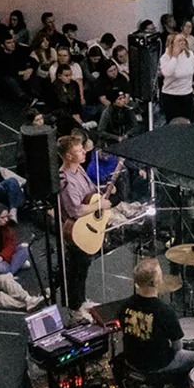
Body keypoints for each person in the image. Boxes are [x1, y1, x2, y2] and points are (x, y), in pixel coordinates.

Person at [119, 258, 194, 388]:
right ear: (157, 282)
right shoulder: (164, 311)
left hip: (131, 359)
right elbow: (177, 347)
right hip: (157, 364)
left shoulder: (125, 306)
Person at [59, 133, 109, 316]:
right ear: (69, 156)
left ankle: (81, 300)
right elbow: (75, 210)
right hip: (76, 230)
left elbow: (88, 193)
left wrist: (103, 189)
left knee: (84, 268)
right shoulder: (65, 180)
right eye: (79, 151)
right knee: (76, 271)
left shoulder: (79, 169)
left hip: (86, 227)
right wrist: (99, 205)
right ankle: (75, 308)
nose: (84, 153)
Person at [158, 31, 194, 122]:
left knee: (189, 121)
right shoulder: (165, 57)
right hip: (171, 96)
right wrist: (174, 57)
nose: (182, 43)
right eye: (179, 41)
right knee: (174, 123)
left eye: (183, 40)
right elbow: (167, 73)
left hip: (187, 95)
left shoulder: (190, 54)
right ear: (172, 43)